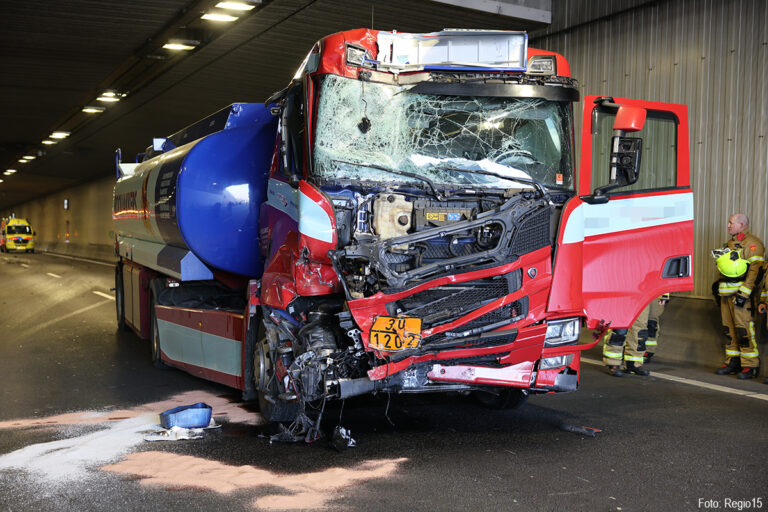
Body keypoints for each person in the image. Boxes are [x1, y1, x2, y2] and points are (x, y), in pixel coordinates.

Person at [714, 213, 763, 379]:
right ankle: (732, 361)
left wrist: (745, 293)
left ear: (742, 225)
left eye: (731, 223)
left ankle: (750, 366)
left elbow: (755, 271)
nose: (728, 225)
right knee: (729, 330)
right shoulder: (729, 244)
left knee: (744, 331)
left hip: (742, 297)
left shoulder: (753, 244)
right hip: (726, 295)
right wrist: (717, 287)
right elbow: (722, 268)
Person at [602, 304, 651, 377]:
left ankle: (633, 364)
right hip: (623, 295)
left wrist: (664, 296)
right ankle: (613, 363)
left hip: (643, 295)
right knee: (619, 328)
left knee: (640, 332)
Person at [644, 294, 669, 364]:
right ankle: (630, 350)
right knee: (636, 322)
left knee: (652, 323)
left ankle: (648, 351)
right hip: (638, 292)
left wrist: (664, 296)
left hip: (656, 293)